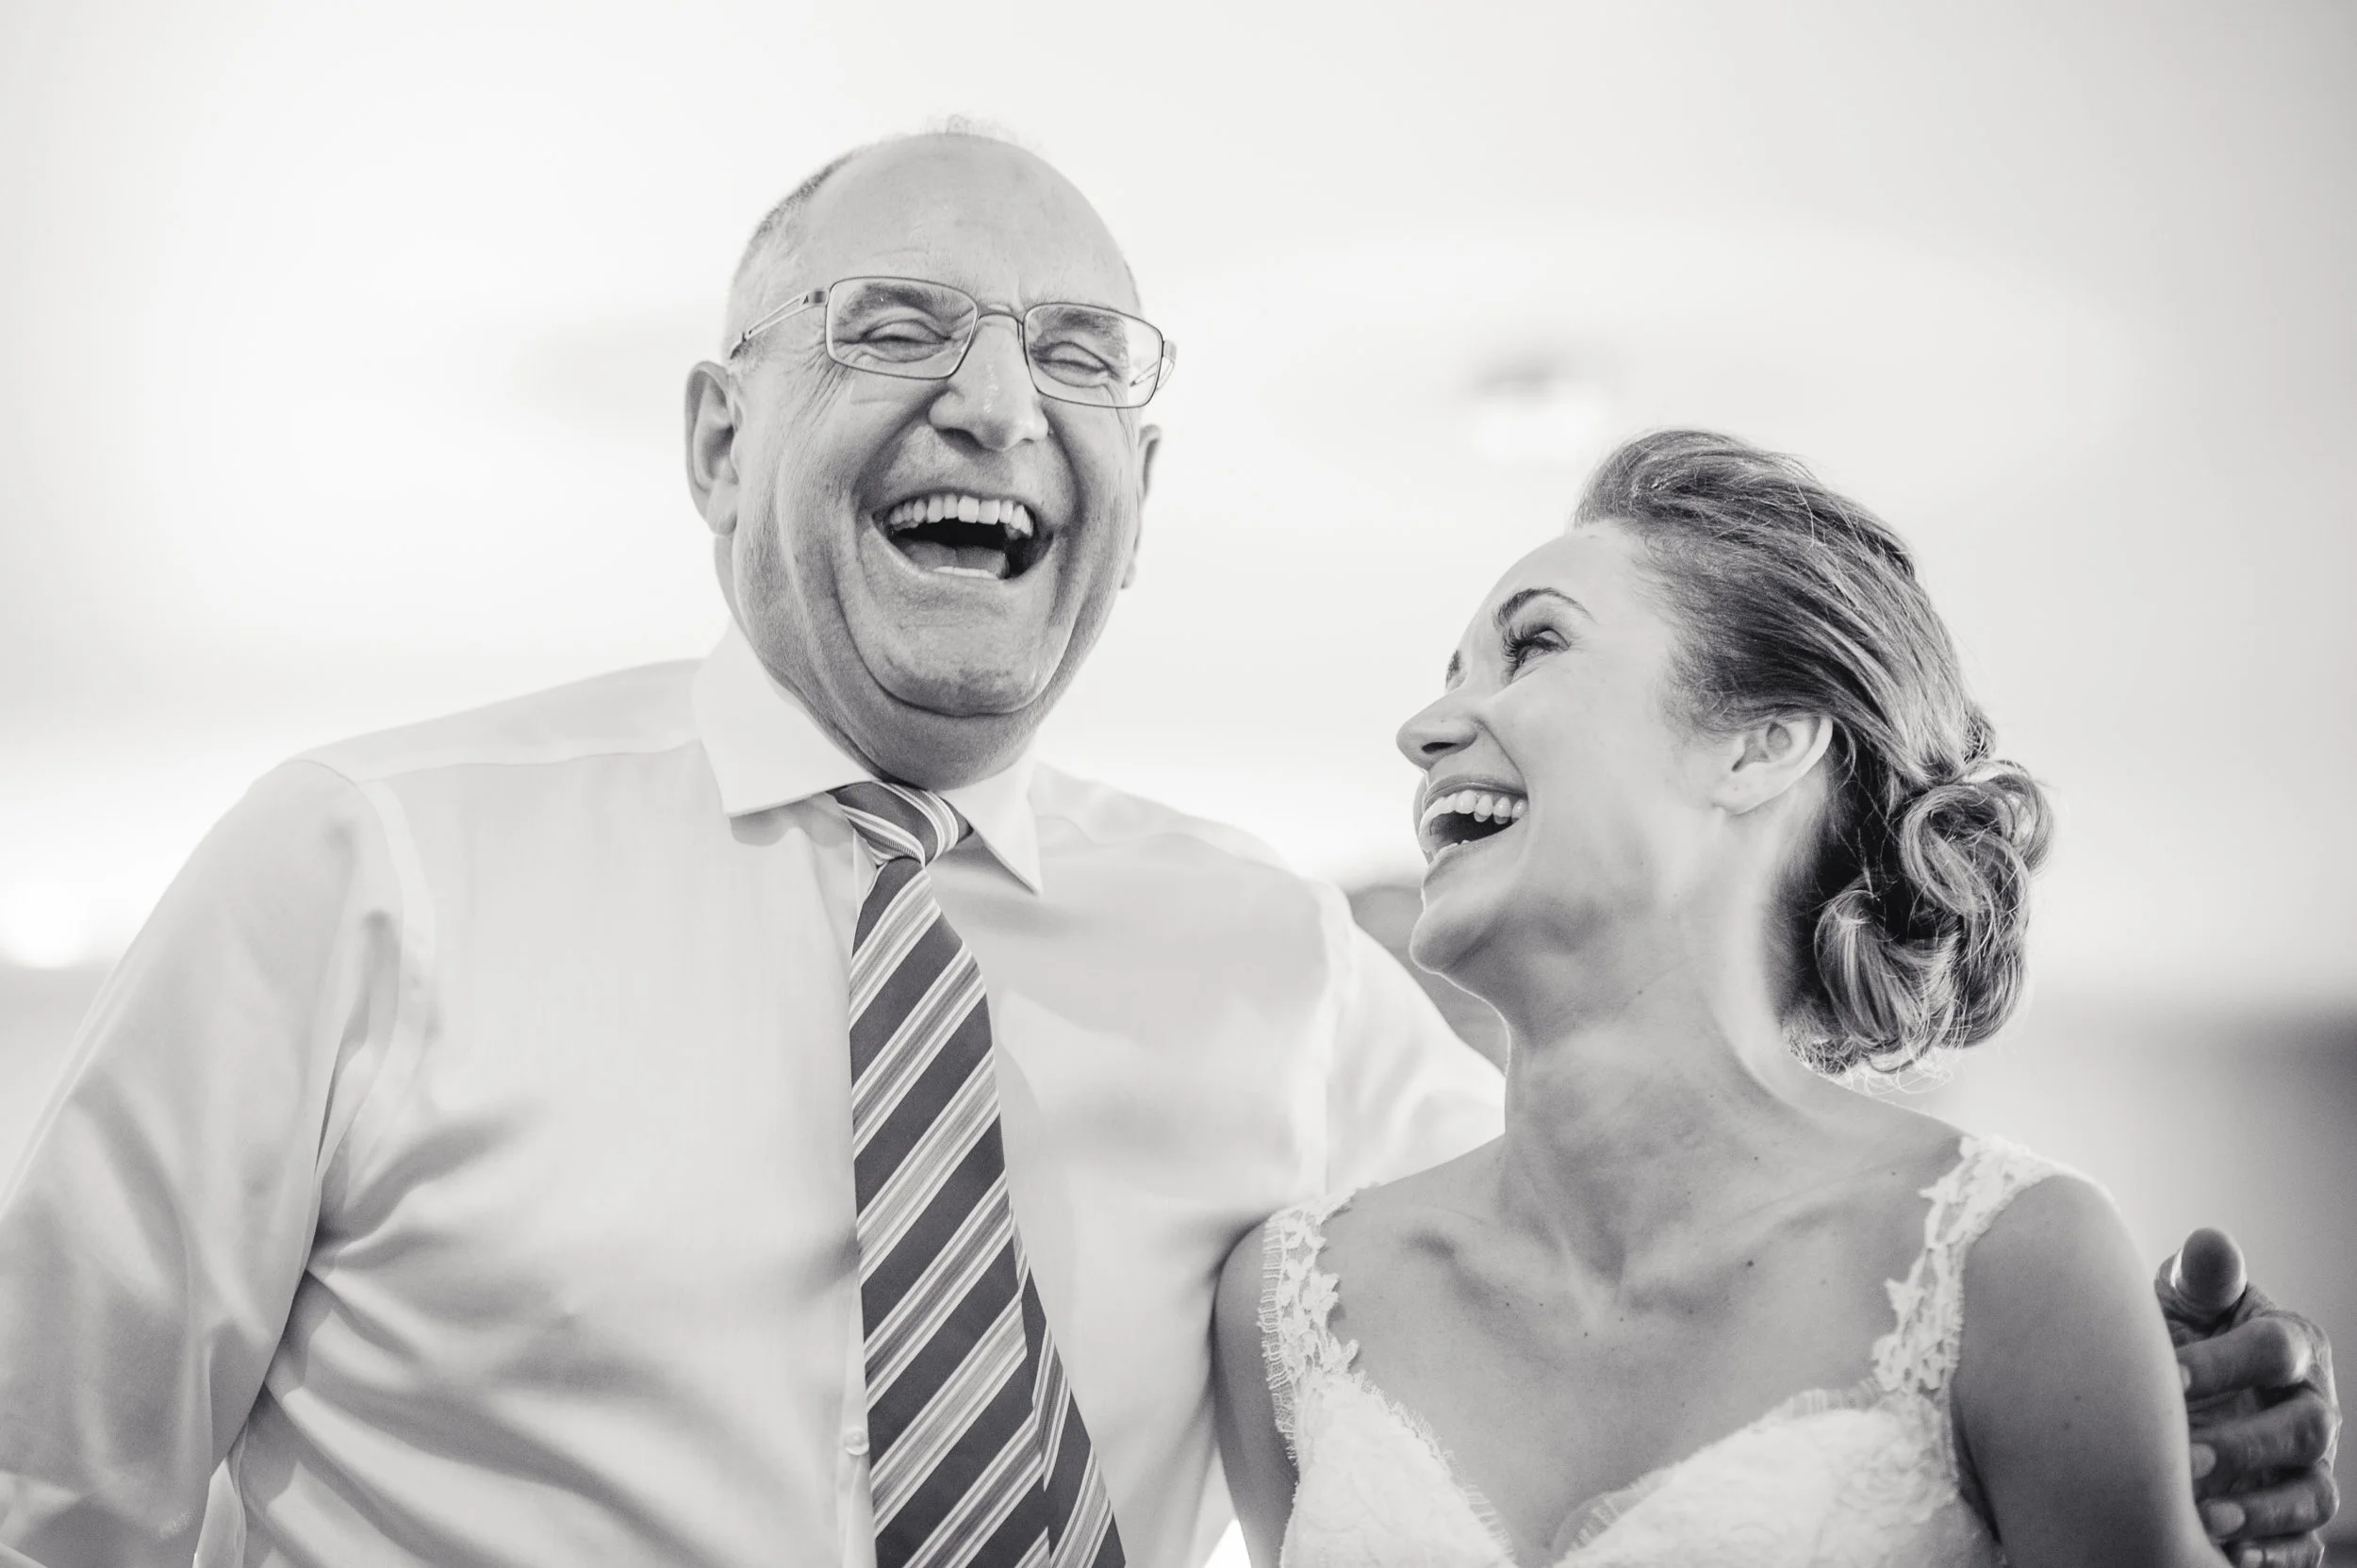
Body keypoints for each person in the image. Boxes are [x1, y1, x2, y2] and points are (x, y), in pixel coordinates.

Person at [0, 132, 2333, 1568]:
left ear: (1132, 488)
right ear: (720, 432)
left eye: (1081, 352)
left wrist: (2121, 1401)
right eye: (896, 322)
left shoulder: (1284, 973)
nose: (998, 399)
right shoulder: (362, 867)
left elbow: (1694, 1285)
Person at [1211, 431, 2340, 1568]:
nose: (1425, 729)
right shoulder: (1294, 1312)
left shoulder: (2012, 1264)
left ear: (1759, 746)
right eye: (1449, 676)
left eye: (1533, 645)